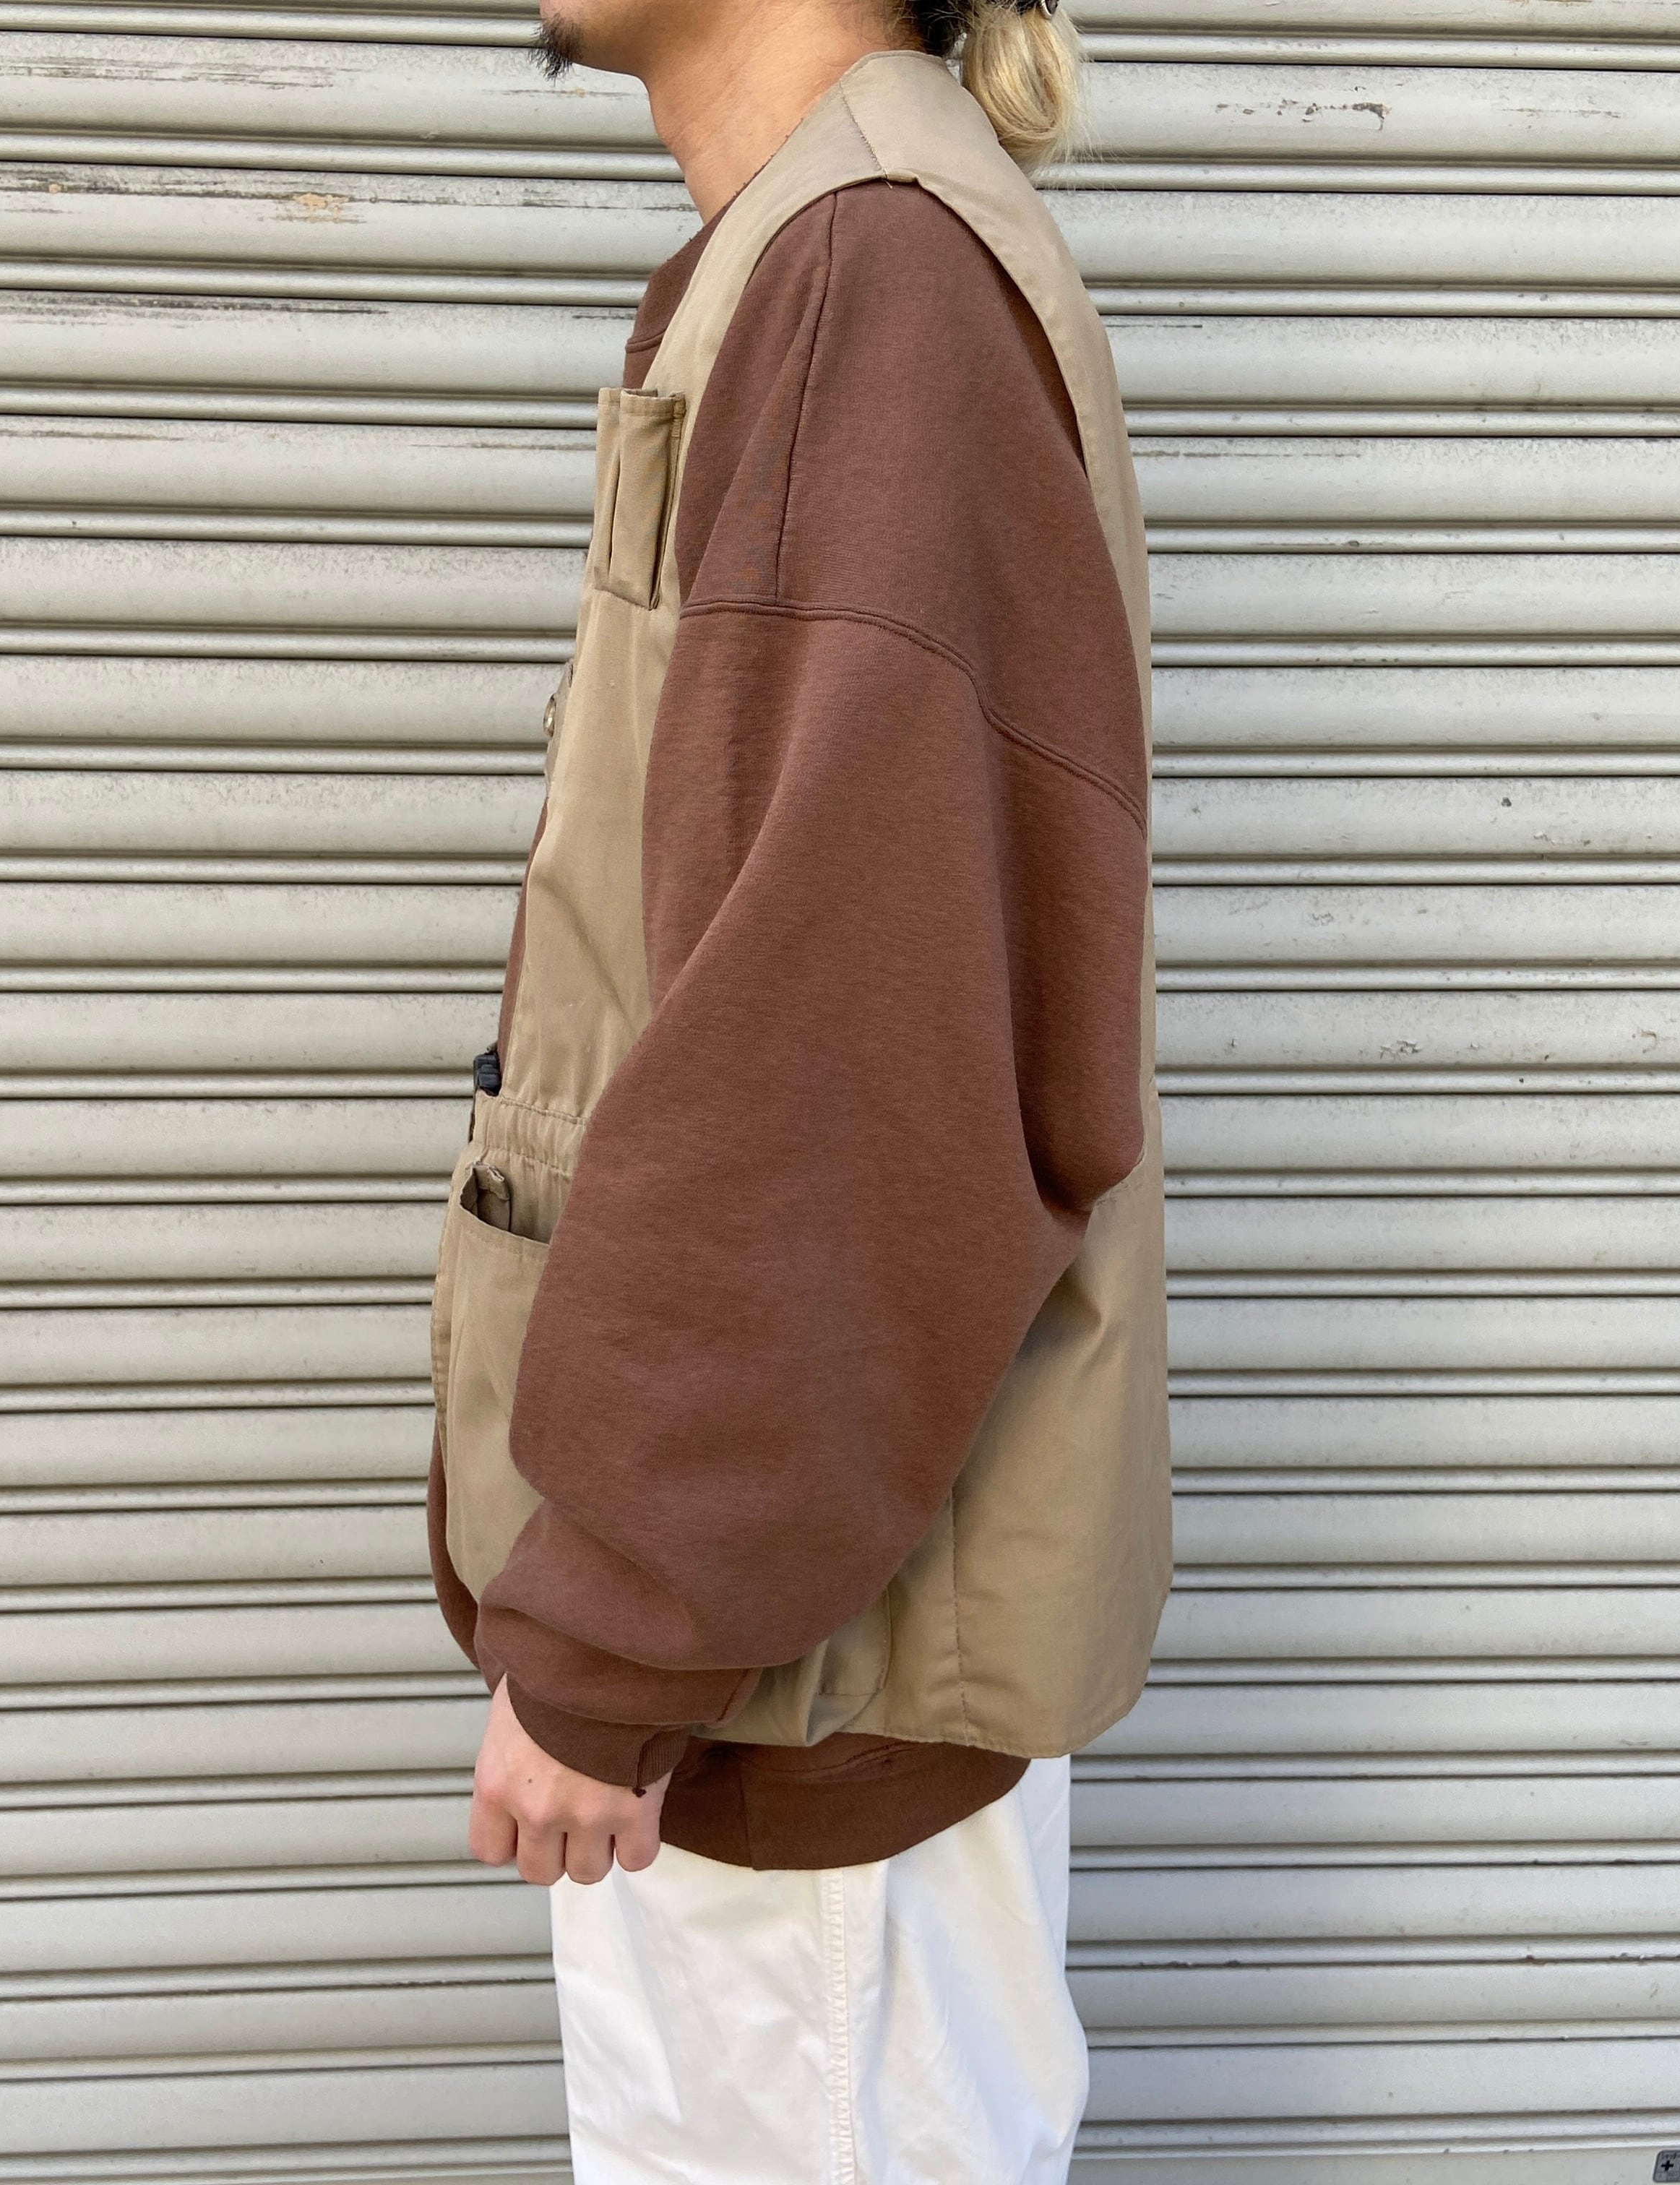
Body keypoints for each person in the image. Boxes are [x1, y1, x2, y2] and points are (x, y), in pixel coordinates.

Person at [424, 1, 1171, 2176]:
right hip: (770, 1619)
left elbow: (843, 1059)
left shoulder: (872, 276)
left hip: (797, 1659)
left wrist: (613, 1629)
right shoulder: (817, 253)